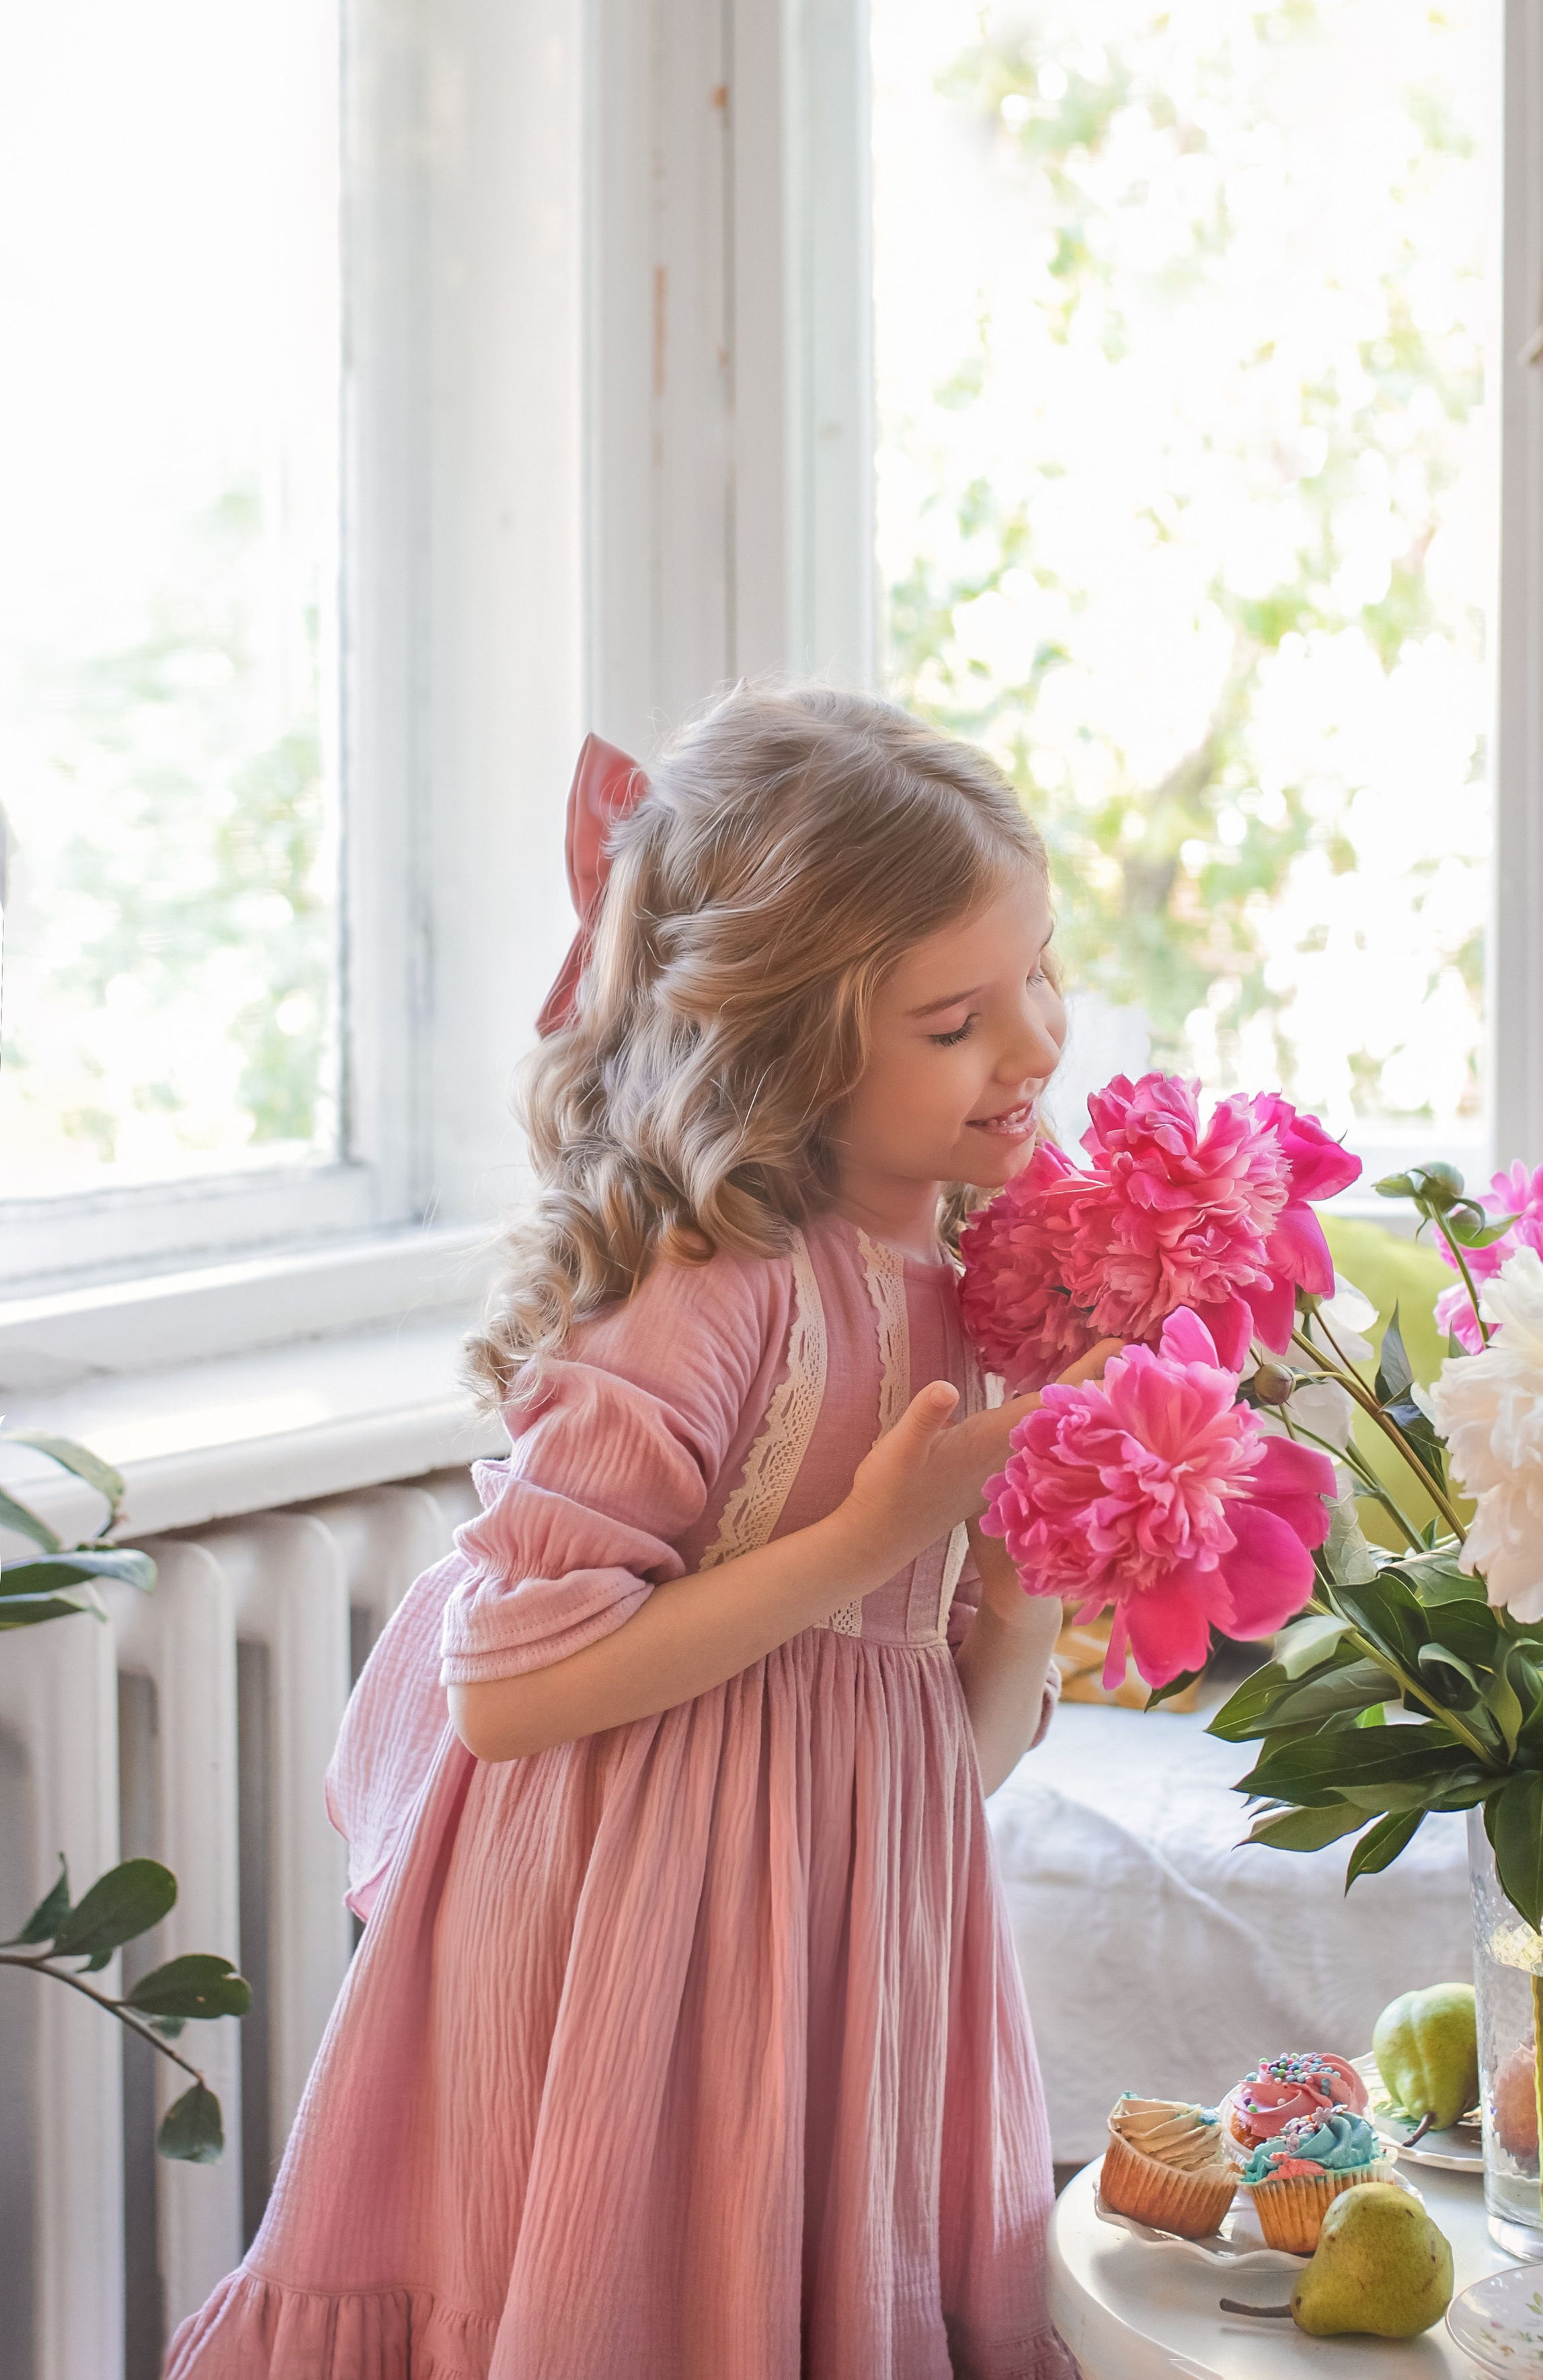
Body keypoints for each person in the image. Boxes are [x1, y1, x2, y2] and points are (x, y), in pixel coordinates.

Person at [167, 685, 1101, 2380]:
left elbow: (932, 1765)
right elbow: (507, 1695)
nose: (1033, 1046)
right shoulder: (712, 1283)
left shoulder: (973, 1296)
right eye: (955, 1018)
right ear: (788, 1044)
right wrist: (861, 1538)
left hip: (846, 1962)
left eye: (1039, 974)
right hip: (620, 1948)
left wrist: (1023, 1569)